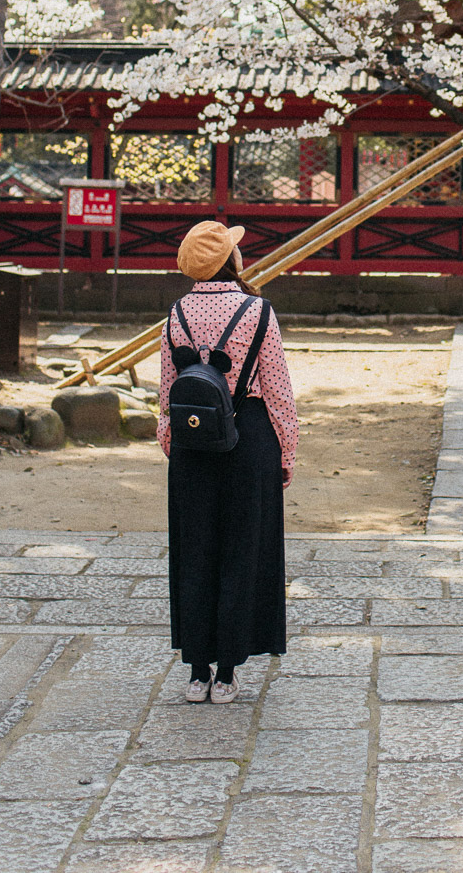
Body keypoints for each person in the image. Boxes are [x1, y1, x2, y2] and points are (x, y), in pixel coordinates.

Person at [158, 220, 297, 703]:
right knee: (243, 548)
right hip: (249, 435)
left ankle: (197, 670)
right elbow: (278, 389)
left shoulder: (176, 314)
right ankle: (226, 674)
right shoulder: (259, 311)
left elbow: (165, 391)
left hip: (194, 442)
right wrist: (286, 451)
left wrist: (171, 441)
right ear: (230, 260)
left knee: (195, 551)